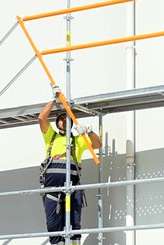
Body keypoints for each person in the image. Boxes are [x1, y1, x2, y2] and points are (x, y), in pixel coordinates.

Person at [38, 85, 102, 245]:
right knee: (54, 227)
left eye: (65, 118)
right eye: (60, 119)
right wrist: (55, 100)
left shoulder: (77, 140)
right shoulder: (51, 137)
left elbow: (98, 145)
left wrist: (89, 132)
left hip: (72, 189)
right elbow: (41, 118)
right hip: (52, 190)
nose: (62, 121)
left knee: (74, 225)